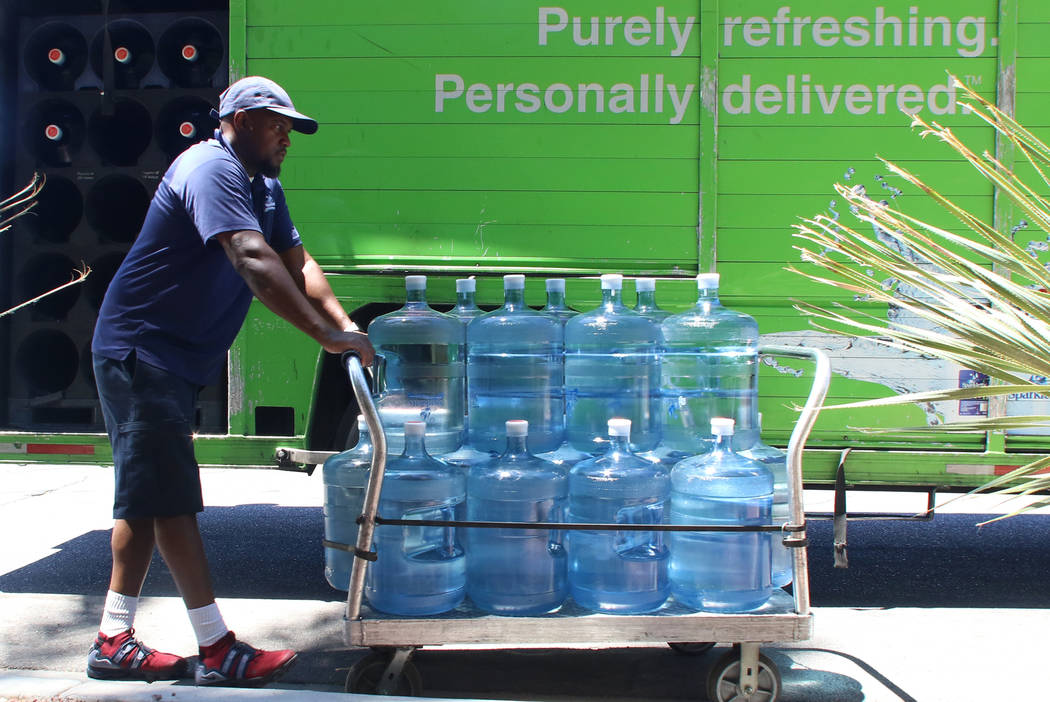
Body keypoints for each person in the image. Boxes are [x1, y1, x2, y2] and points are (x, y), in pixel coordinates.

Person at [87, 76, 374, 687]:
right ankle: (217, 648)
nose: (287, 137)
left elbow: (298, 262)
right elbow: (251, 257)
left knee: (146, 496)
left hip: (172, 358)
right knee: (171, 499)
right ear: (240, 119)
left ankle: (113, 639)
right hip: (142, 350)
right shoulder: (208, 167)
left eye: (292, 128)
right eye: (278, 124)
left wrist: (347, 327)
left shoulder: (264, 186)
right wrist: (323, 338)